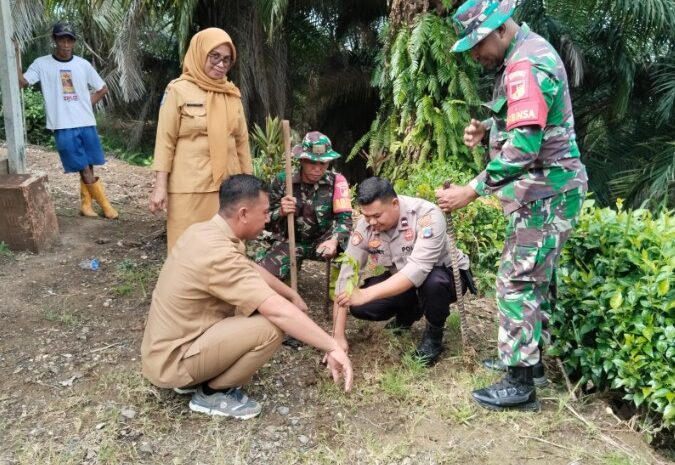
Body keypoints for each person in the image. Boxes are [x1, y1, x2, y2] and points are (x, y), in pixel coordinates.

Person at [436, 0, 588, 411]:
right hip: (545, 193)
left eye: (476, 44)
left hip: (546, 193)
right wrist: (487, 127)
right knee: (535, 279)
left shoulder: (525, 66)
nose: (474, 55)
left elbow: (524, 147)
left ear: (500, 29)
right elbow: (530, 118)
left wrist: (472, 189)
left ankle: (520, 384)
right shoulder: (523, 55)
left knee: (516, 281)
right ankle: (526, 361)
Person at [141, 174, 352, 419]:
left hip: (170, 346)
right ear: (243, 214)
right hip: (173, 361)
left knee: (259, 309)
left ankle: (199, 373)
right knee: (270, 327)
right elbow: (276, 310)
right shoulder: (218, 254)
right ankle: (211, 393)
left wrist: (290, 293)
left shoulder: (204, 231)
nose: (267, 218)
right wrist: (332, 345)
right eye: (264, 212)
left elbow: (250, 267)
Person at [333, 177, 475, 366]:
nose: (371, 222)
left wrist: (365, 293)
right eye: (366, 216)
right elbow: (347, 275)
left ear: (394, 204)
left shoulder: (428, 215)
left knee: (433, 283)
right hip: (402, 278)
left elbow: (418, 269)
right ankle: (410, 311)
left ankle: (434, 335)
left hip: (442, 275)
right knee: (361, 306)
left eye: (377, 215)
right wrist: (337, 337)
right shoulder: (365, 225)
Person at [148, 28, 252, 252]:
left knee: (226, 249)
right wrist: (160, 187)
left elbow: (242, 142)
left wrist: (249, 186)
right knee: (186, 248)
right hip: (190, 187)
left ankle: (223, 289)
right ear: (199, 53)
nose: (221, 64)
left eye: (227, 59)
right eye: (214, 56)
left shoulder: (232, 94)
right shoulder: (178, 90)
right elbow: (165, 140)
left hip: (228, 188)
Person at [17, 22, 117, 219]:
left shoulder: (83, 64)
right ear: (54, 40)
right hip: (63, 124)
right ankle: (106, 205)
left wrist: (87, 105)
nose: (65, 44)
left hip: (86, 121)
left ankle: (86, 205)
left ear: (74, 42)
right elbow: (22, 82)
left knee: (89, 164)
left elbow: (102, 88)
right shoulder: (42, 63)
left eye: (69, 39)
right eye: (61, 39)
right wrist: (14, 58)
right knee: (82, 165)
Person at [252, 131, 352, 279]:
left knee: (353, 253)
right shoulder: (283, 181)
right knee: (264, 276)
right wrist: (280, 212)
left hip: (325, 243)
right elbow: (264, 220)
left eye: (323, 163)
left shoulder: (337, 181)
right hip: (291, 243)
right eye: (312, 162)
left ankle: (340, 294)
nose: (318, 168)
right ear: (302, 160)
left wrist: (334, 240)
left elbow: (345, 219)